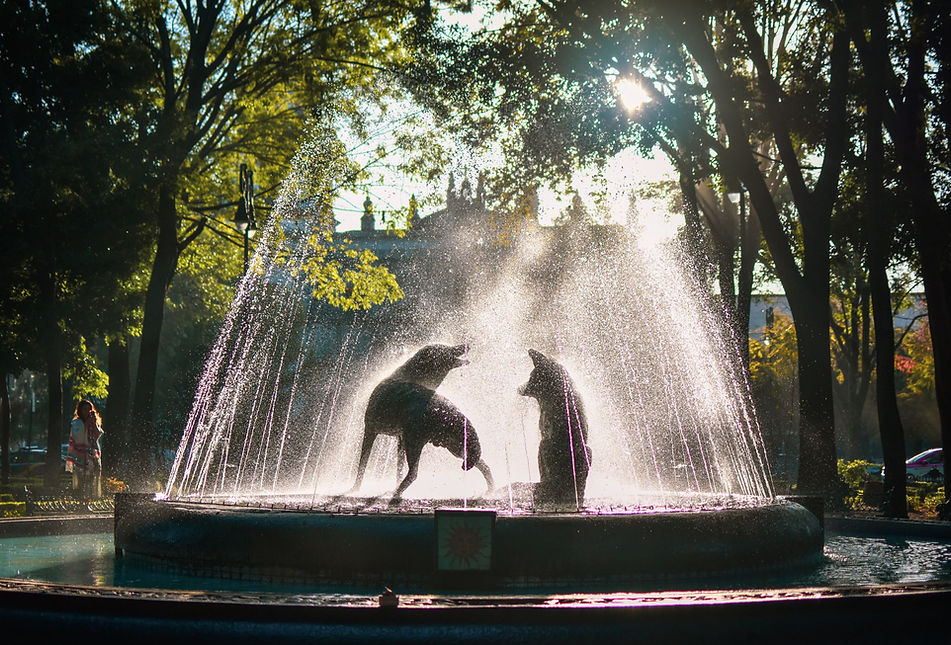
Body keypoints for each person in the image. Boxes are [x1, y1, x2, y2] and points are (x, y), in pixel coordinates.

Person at [66, 399, 103, 500]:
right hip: (80, 456)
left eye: (89, 409)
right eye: (85, 409)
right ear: (80, 410)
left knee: (92, 477)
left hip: (92, 455)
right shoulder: (76, 422)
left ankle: (88, 500)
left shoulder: (93, 422)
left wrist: (94, 423)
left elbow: (97, 435)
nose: (87, 411)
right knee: (81, 479)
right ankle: (81, 500)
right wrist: (87, 423)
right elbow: (78, 436)